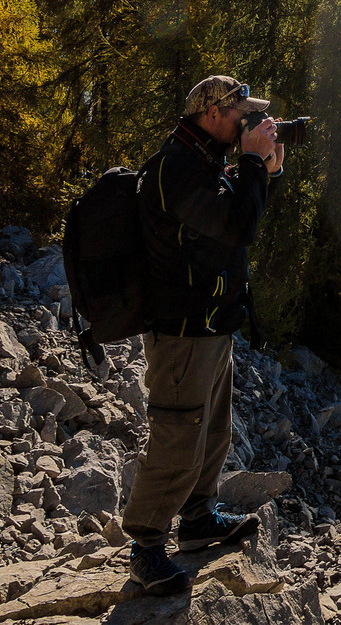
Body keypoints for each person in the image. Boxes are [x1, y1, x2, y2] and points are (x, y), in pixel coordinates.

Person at [121, 75, 285, 594]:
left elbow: (233, 219)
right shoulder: (176, 169)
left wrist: (265, 174)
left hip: (213, 325)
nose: (249, 122)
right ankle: (145, 548)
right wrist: (255, 164)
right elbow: (238, 228)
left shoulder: (203, 163)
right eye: (242, 114)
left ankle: (196, 520)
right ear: (212, 114)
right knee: (176, 438)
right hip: (182, 331)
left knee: (213, 432)